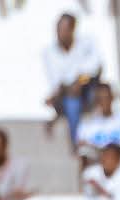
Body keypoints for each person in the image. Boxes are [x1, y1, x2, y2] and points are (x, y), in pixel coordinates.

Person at [43, 12, 103, 147]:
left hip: (88, 87)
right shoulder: (49, 53)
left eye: (64, 29)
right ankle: (77, 144)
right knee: (72, 103)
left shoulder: (86, 43)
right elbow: (57, 83)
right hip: (66, 95)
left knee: (101, 95)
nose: (60, 33)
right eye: (58, 29)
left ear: (72, 29)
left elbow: (96, 67)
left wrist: (80, 80)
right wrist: (70, 86)